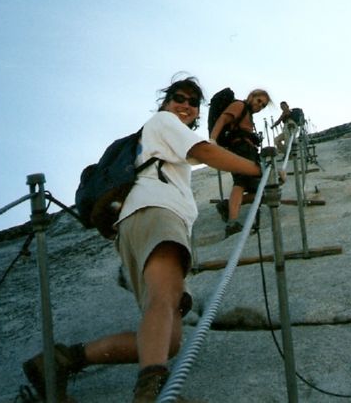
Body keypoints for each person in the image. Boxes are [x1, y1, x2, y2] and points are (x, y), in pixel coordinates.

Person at [21, 76, 262, 403]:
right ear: (165, 103)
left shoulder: (162, 139)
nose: (186, 106)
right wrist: (254, 168)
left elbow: (196, 154)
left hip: (141, 223)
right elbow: (205, 150)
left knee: (169, 339)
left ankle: (64, 360)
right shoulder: (164, 122)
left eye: (193, 103)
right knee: (162, 300)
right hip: (156, 212)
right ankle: (149, 392)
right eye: (180, 97)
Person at [208, 89, 270, 236]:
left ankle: (227, 206)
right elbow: (222, 119)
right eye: (258, 100)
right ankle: (232, 223)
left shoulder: (247, 113)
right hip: (240, 148)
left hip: (249, 150)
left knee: (260, 192)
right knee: (241, 183)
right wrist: (212, 141)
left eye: (263, 105)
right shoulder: (239, 106)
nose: (259, 106)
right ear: (251, 96)